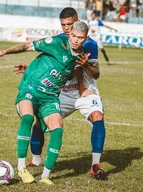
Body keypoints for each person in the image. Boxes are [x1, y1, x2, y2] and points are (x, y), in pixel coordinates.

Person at [0, 21, 89, 185]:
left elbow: (64, 73)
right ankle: (21, 168)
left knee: (57, 130)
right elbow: (27, 46)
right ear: (69, 33)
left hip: (50, 97)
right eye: (73, 36)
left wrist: (83, 68)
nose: (76, 40)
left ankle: (45, 176)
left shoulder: (81, 56)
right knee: (27, 118)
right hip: (30, 89)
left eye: (80, 38)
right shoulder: (56, 43)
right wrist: (4, 51)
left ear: (86, 38)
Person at [14, 7, 107, 180]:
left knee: (98, 117)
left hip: (86, 91)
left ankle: (95, 164)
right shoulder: (59, 41)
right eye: (63, 25)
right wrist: (33, 70)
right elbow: (54, 65)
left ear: (77, 23)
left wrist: (85, 67)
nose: (66, 28)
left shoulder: (90, 45)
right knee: (40, 123)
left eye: (70, 24)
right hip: (63, 91)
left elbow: (95, 74)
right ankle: (36, 160)